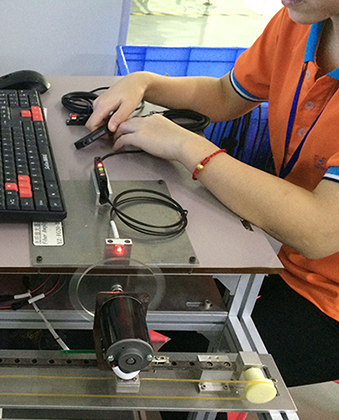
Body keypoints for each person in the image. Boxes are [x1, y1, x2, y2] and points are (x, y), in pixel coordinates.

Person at [86, 1, 339, 387]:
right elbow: (225, 94)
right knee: (117, 303)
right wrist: (145, 83)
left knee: (184, 382)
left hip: (328, 302)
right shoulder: (301, 21)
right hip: (287, 259)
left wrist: (186, 146)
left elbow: (318, 231)